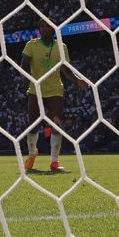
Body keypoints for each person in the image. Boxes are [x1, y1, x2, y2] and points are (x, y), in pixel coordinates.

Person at [21, 22, 88, 173]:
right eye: (42, 26)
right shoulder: (31, 45)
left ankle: (54, 162)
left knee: (57, 124)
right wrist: (29, 83)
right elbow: (23, 67)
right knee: (33, 125)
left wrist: (78, 81)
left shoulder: (62, 47)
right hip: (35, 89)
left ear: (53, 28)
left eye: (48, 26)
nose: (45, 28)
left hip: (55, 89)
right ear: (39, 29)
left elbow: (65, 69)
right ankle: (32, 153)